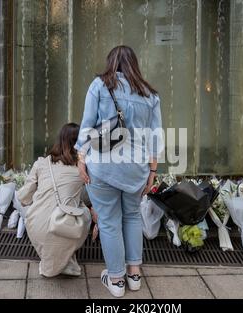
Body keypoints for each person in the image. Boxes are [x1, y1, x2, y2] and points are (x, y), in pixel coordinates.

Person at [75, 45, 163, 298]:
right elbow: (156, 137)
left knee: (109, 221)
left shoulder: (100, 85)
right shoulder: (150, 95)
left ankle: (116, 280)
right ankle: (134, 275)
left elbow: (87, 123)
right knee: (133, 216)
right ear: (135, 65)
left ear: (111, 62)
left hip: (103, 166)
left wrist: (81, 157)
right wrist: (152, 171)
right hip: (136, 168)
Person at [18, 123, 91, 278]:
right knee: (84, 209)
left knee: (28, 206)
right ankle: (66, 256)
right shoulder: (83, 169)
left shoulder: (41, 163)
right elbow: (92, 196)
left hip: (38, 227)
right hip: (67, 226)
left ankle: (55, 256)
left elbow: (23, 197)